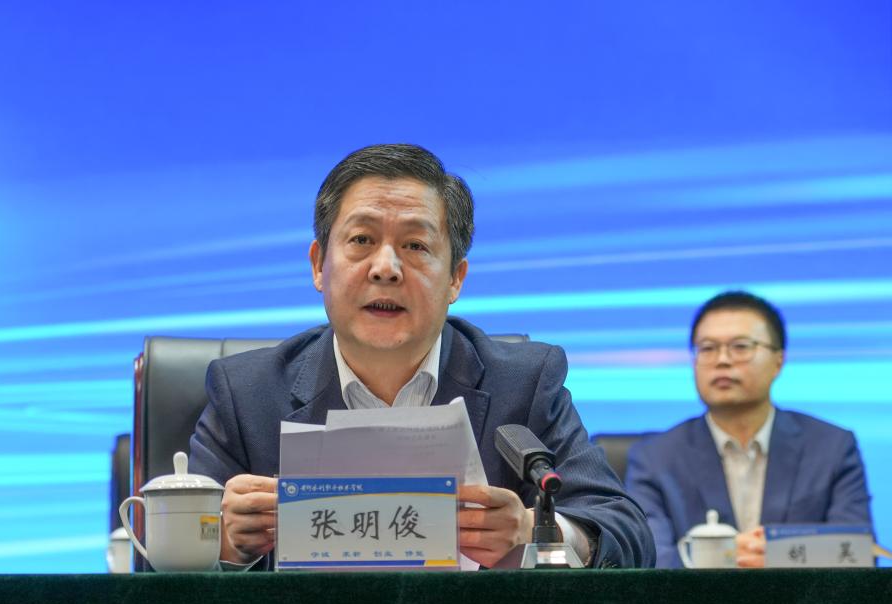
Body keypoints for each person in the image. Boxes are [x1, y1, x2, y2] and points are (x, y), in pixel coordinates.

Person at [190, 143, 654, 569]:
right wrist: (222, 542)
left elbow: (629, 538)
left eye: (415, 246)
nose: (386, 268)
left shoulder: (525, 384)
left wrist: (536, 530)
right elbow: (164, 571)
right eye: (361, 240)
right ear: (318, 265)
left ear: (455, 279)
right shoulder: (247, 394)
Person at [626, 291, 873, 568]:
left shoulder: (832, 447)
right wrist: (719, 556)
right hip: (696, 598)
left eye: (741, 347)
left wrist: (776, 556)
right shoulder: (655, 457)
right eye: (707, 348)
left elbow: (857, 552)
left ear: (778, 361)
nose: (722, 360)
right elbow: (647, 556)